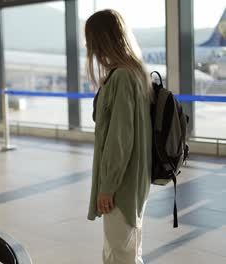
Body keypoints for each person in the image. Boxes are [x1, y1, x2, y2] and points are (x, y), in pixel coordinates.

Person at [85, 9, 153, 264]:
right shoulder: (133, 72)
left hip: (122, 186)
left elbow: (120, 139)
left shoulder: (123, 76)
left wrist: (108, 187)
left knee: (120, 255)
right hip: (133, 181)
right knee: (126, 250)